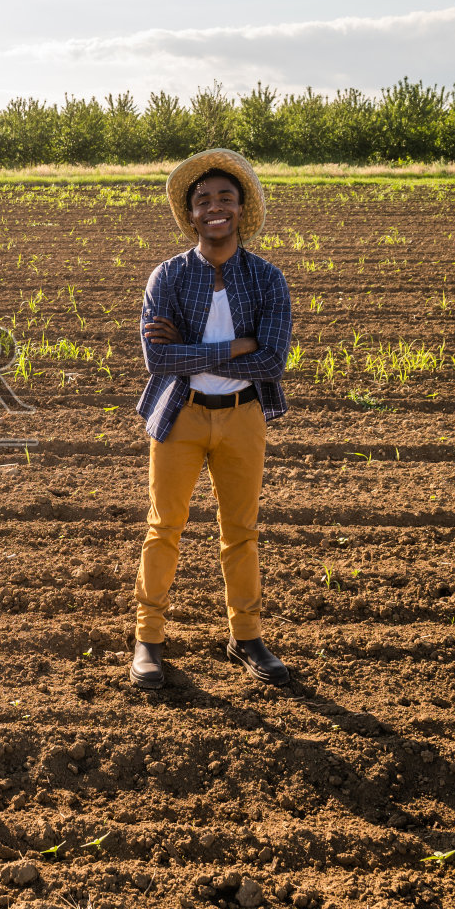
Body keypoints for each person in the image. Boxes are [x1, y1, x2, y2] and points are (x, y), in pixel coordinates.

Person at [129, 148, 293, 689]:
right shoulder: (168, 277)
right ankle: (148, 641)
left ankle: (246, 638)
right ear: (191, 214)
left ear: (241, 209)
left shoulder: (268, 280)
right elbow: (159, 361)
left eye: (225, 198)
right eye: (204, 200)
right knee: (164, 528)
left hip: (244, 418)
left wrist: (197, 347)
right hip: (181, 415)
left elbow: (273, 360)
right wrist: (237, 344)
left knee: (241, 533)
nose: (215, 207)